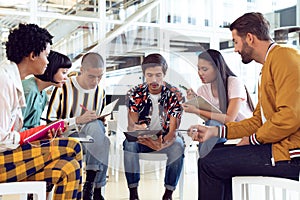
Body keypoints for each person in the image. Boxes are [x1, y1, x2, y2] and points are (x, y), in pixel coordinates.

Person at [187, 12, 300, 200]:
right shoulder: (268, 66)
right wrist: (214, 132)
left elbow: (289, 116)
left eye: (235, 42)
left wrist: (254, 139)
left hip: (291, 155)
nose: (235, 49)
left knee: (210, 163)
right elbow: (258, 121)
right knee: (214, 154)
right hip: (277, 147)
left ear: (249, 38)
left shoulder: (285, 57)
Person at [0, 23, 83, 200]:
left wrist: (40, 135)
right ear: (32, 55)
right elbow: (2, 139)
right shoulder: (3, 80)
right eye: (46, 55)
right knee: (73, 146)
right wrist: (37, 133)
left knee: (68, 167)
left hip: (6, 157)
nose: (47, 61)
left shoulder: (13, 81)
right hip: (2, 160)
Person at [46, 52, 110, 200]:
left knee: (102, 136)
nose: (96, 81)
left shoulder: (100, 92)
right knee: (102, 142)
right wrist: (78, 120)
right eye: (91, 76)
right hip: (67, 136)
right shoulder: (63, 86)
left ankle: (91, 186)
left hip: (91, 138)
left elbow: (98, 121)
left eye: (100, 76)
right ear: (82, 70)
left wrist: (100, 121)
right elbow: (50, 121)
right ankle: (95, 188)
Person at [123, 53, 185, 200]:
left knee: (177, 146)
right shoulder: (134, 93)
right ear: (144, 74)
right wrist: (137, 130)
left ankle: (168, 194)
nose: (154, 80)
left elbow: (173, 131)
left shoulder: (175, 94)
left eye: (158, 75)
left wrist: (161, 144)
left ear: (164, 74)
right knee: (129, 145)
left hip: (167, 139)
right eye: (149, 75)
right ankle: (133, 193)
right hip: (143, 140)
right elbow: (131, 127)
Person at [183, 49, 254, 149]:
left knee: (211, 126)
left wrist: (197, 110)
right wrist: (195, 102)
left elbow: (229, 119)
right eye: (198, 69)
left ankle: (208, 160)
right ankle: (207, 161)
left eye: (204, 69)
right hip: (223, 133)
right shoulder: (202, 90)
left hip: (243, 131)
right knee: (209, 126)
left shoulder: (233, 83)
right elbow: (211, 117)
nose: (200, 73)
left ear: (217, 68)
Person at [22, 50, 72, 130]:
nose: (66, 77)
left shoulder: (43, 95)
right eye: (64, 72)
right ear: (51, 69)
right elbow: (14, 127)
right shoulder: (29, 91)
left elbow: (34, 126)